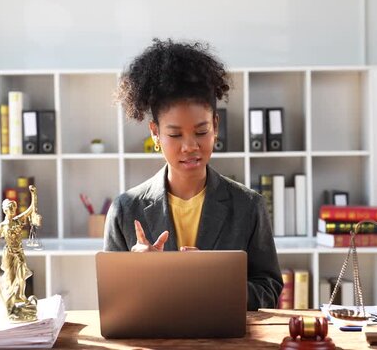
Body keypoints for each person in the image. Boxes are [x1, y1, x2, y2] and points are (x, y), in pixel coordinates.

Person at [104, 38, 283, 310]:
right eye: (175, 134)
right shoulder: (125, 210)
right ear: (155, 133)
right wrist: (137, 273)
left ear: (215, 126)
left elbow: (268, 289)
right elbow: (112, 300)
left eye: (201, 132)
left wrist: (215, 282)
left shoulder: (248, 206)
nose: (190, 146)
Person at [0, 185, 42, 321]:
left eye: (13, 208)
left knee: (21, 275)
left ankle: (21, 295)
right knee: (10, 279)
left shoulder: (18, 220)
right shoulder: (3, 226)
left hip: (19, 253)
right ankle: (10, 306)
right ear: (5, 210)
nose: (12, 211)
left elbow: (30, 210)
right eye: (9, 209)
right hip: (9, 254)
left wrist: (33, 194)